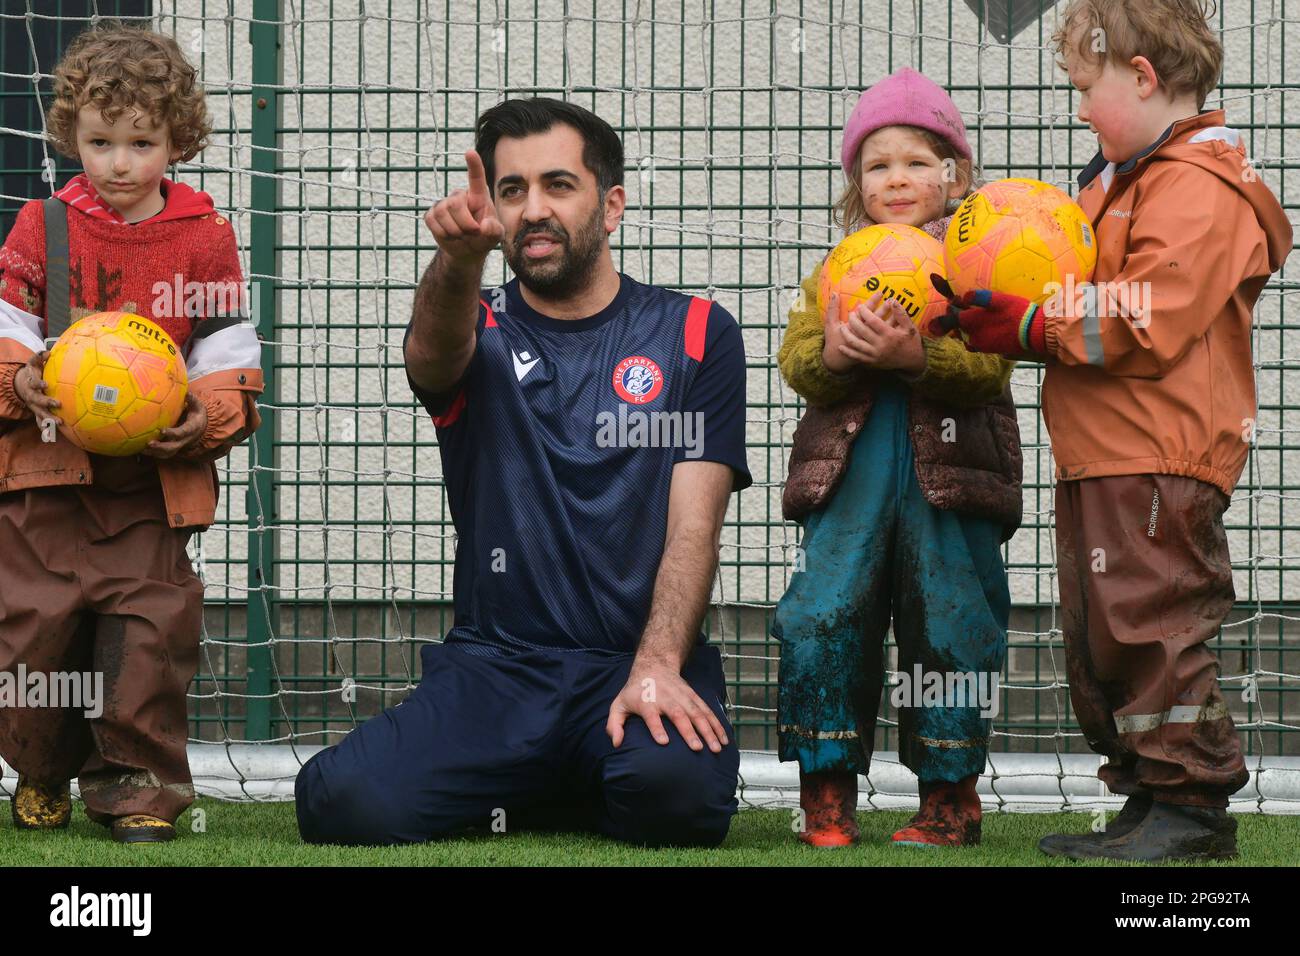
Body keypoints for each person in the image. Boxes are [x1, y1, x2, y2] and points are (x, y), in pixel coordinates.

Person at [295, 98, 751, 847]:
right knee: (344, 804)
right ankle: (549, 772)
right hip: (499, 671)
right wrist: (459, 260)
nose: (533, 209)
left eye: (558, 185)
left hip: (630, 661)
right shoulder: (478, 326)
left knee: (675, 804)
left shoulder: (697, 330)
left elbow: (695, 523)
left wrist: (661, 664)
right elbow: (431, 353)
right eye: (512, 191)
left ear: (611, 206)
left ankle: (555, 772)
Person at [939, 0, 1292, 860]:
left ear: (1140, 76)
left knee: (1153, 621)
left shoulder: (1200, 185)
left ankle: (1194, 804)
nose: (1076, 108)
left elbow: (1151, 312)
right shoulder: (1119, 181)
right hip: (1105, 453)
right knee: (1103, 630)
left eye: (1081, 88)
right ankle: (1147, 794)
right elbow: (1064, 276)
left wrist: (1030, 328)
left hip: (1160, 454)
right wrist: (996, 294)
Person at [0, 23, 263, 843]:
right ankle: (41, 766)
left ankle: (135, 784)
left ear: (176, 139)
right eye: (100, 141)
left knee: (147, 634)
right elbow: (5, 323)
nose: (119, 163)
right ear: (70, 135)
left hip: (148, 486)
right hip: (47, 478)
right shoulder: (40, 227)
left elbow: (226, 355)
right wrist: (17, 378)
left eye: (141, 142)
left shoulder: (204, 238)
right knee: (34, 638)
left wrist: (205, 417)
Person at [772, 67, 1023, 848]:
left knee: (951, 621)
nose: (898, 179)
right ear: (857, 185)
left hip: (948, 485)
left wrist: (920, 358)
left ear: (955, 174)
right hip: (849, 484)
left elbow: (993, 366)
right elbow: (796, 360)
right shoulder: (839, 267)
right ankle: (827, 789)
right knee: (824, 616)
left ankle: (950, 795)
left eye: (918, 161)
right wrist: (839, 353)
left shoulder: (982, 262)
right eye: (877, 166)